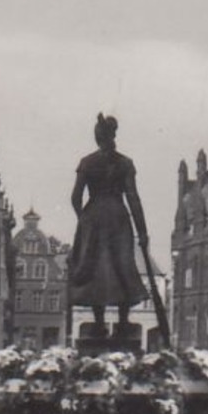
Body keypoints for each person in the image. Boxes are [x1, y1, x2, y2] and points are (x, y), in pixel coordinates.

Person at [68, 114, 149, 333]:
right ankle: (123, 323)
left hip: (94, 218)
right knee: (123, 265)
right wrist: (142, 231)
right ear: (112, 135)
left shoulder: (87, 162)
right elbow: (133, 198)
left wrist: (83, 220)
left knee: (95, 268)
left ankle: (98, 324)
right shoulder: (125, 163)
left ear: (97, 138)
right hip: (118, 217)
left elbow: (75, 197)